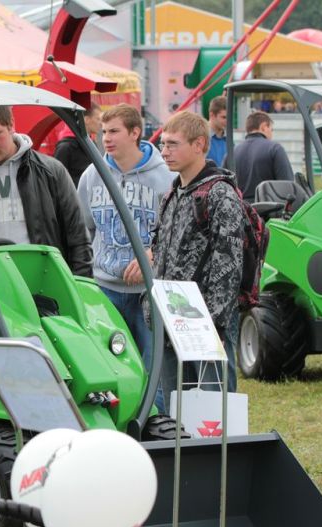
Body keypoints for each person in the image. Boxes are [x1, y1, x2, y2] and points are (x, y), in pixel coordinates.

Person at [78, 104, 174, 412]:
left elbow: (174, 232)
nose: (106, 138)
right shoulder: (92, 175)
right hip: (105, 287)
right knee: (109, 365)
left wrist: (153, 254)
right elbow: (84, 227)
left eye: (114, 131)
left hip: (149, 291)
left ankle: (153, 426)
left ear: (135, 133)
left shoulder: (164, 178)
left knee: (152, 369)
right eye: (104, 131)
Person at [151, 111, 244, 411]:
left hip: (206, 323)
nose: (164, 151)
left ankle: (219, 458)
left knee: (212, 412)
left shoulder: (220, 194)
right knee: (176, 407)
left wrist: (212, 323)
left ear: (199, 144)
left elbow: (229, 263)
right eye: (163, 144)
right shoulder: (173, 194)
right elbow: (160, 253)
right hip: (170, 317)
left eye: (173, 144)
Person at [0, 105, 92, 277]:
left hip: (43, 281)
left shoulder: (50, 171)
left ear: (11, 125)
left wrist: (80, 285)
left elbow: (78, 237)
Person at [233, 111, 294, 201]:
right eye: (271, 129)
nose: (271, 134)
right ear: (264, 127)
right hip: (267, 211)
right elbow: (288, 187)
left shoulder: (231, 153)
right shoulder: (275, 149)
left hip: (239, 210)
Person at [53, 103, 102, 186]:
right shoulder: (65, 147)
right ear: (86, 120)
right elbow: (56, 179)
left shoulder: (91, 143)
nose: (101, 123)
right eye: (98, 119)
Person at [206, 96, 227, 166]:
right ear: (212, 115)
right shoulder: (201, 137)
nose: (227, 121)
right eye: (224, 117)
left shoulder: (230, 140)